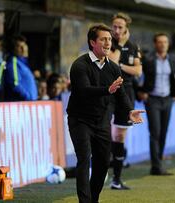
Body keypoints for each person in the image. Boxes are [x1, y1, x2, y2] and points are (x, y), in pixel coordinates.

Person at [66, 24, 145, 203]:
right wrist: (106, 90)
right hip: (80, 120)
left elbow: (121, 93)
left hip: (102, 122)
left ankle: (94, 199)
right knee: (84, 159)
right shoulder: (80, 65)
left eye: (109, 39)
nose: (108, 42)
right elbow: (84, 90)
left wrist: (129, 110)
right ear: (92, 42)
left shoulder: (113, 68)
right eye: (103, 39)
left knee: (102, 164)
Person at [138, 33, 175, 176]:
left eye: (165, 42)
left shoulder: (173, 59)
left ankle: (158, 163)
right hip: (152, 99)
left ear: (168, 44)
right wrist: (141, 92)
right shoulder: (148, 59)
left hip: (167, 99)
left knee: (164, 132)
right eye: (160, 42)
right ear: (155, 44)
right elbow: (137, 76)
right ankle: (156, 166)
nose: (163, 44)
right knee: (155, 132)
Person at [108, 12, 142, 190]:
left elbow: (138, 71)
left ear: (126, 28)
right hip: (108, 91)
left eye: (120, 27)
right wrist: (119, 45)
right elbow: (111, 62)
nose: (117, 30)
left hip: (126, 92)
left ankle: (116, 179)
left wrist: (122, 66)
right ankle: (98, 173)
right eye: (114, 26)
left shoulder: (133, 46)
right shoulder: (107, 42)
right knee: (105, 133)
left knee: (120, 135)